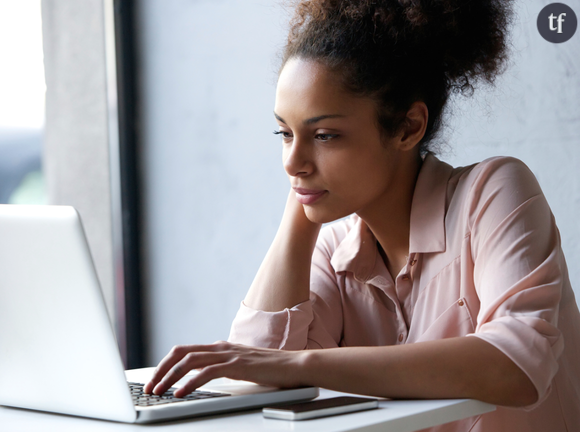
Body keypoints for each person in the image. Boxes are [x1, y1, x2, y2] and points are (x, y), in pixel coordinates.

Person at [144, 1, 580, 430]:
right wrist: (301, 206)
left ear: (408, 127)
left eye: (325, 135)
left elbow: (518, 367)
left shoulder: (493, 191)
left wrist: (306, 364)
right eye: (285, 133)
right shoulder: (334, 251)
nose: (291, 160)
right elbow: (255, 377)